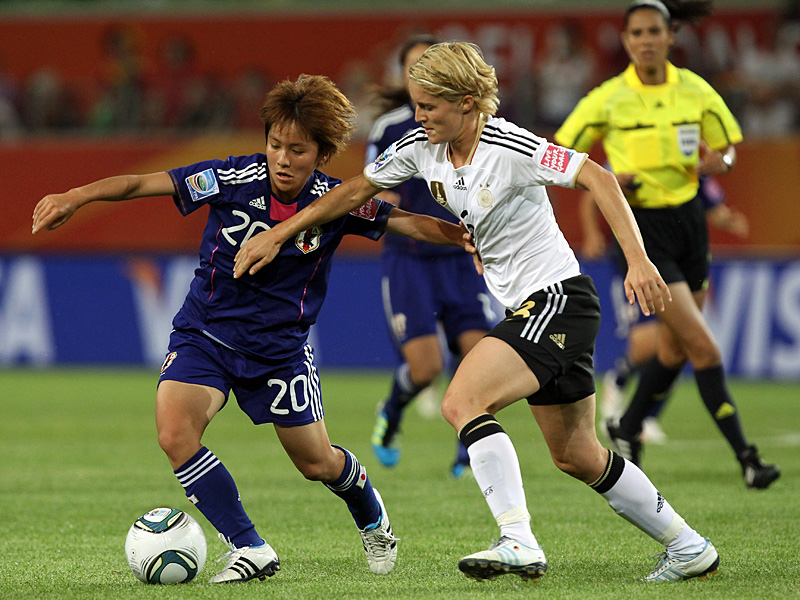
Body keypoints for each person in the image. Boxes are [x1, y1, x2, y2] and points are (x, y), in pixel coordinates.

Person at [233, 41, 722, 584]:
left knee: (463, 400)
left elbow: (598, 177)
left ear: (466, 102)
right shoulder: (422, 148)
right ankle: (689, 547)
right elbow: (355, 192)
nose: (418, 115)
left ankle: (518, 539)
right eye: (416, 104)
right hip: (535, 306)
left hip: (558, 299)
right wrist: (279, 233)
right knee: (577, 454)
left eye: (429, 106)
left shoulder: (508, 145)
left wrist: (637, 259)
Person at [31, 74, 474, 583]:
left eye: (298, 150)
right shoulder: (231, 177)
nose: (283, 159)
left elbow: (408, 221)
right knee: (175, 433)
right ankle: (250, 546)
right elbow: (142, 184)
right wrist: (76, 196)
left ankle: (372, 516)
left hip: (279, 352)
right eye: (275, 145)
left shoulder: (336, 201)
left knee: (317, 463)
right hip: (206, 334)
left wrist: (468, 235)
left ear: (322, 154)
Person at [554, 0, 780, 489]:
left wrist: (722, 163)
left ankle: (628, 425)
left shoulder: (695, 91)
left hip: (690, 223)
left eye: (654, 31)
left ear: (670, 36)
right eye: (637, 33)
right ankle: (748, 458)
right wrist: (608, 178)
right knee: (703, 346)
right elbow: (561, 153)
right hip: (641, 230)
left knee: (674, 349)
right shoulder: (608, 98)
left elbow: (728, 150)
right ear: (626, 40)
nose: (646, 40)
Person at [366, 34, 494, 477]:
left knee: (478, 357)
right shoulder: (392, 129)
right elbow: (372, 188)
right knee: (425, 368)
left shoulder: (473, 124)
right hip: (410, 258)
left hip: (459, 256)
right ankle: (392, 411)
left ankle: (467, 453)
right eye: (413, 68)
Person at [580, 176, 750, 443]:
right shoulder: (636, 159)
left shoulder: (691, 170)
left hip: (676, 263)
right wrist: (592, 233)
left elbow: (713, 206)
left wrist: (728, 219)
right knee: (645, 344)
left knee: (676, 343)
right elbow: (593, 191)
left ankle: (646, 417)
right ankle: (618, 382)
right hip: (639, 260)